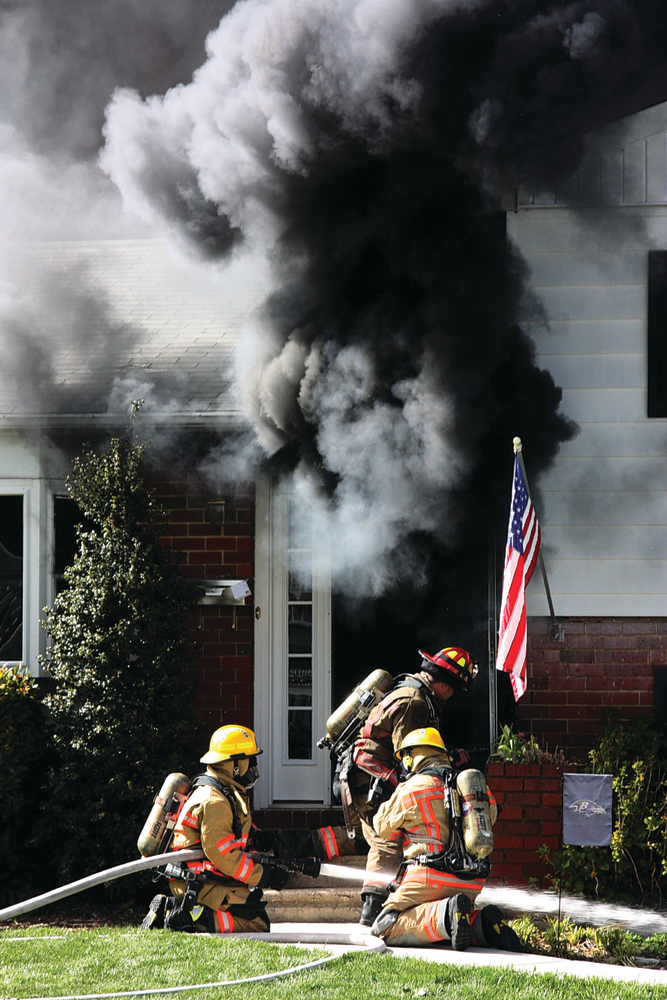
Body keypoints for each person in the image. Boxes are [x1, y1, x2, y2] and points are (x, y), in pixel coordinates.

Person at [343, 646, 478, 926]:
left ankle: (306, 844)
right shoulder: (415, 702)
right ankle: (373, 906)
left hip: (370, 777)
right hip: (370, 780)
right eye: (453, 690)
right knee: (387, 839)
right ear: (443, 684)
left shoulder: (416, 693)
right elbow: (410, 755)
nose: (452, 696)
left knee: (367, 833)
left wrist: (449, 754)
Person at [369, 727, 522, 951]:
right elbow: (491, 815)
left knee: (385, 927)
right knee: (454, 919)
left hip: (428, 878)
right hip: (471, 879)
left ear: (412, 758)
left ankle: (447, 913)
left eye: (405, 759)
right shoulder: (471, 786)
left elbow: (381, 827)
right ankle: (483, 925)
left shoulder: (412, 788)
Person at [141, 724, 289, 934]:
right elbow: (224, 855)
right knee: (258, 923)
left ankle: (187, 912)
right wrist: (264, 876)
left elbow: (231, 834)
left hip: (204, 879)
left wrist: (262, 839)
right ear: (234, 764)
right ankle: (181, 912)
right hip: (199, 884)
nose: (253, 767)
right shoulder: (214, 801)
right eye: (250, 760)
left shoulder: (220, 790)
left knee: (255, 913)